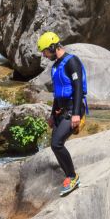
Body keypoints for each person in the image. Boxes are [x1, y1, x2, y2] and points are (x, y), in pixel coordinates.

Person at [37, 31, 86, 196]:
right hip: (61, 110)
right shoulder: (56, 65)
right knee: (55, 145)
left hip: (74, 108)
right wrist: (52, 114)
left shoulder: (72, 62)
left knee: (56, 144)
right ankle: (69, 175)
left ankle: (72, 176)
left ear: (53, 47)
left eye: (45, 51)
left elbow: (78, 88)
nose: (44, 55)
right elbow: (57, 93)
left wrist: (77, 114)